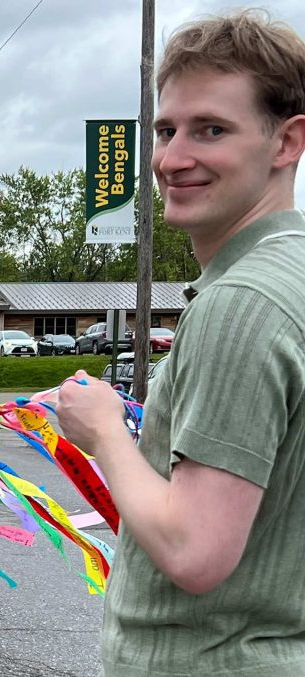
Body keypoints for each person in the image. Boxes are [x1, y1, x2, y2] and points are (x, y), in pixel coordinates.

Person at [57, 11, 305, 676]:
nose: (171, 158)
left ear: (287, 143)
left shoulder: (241, 304)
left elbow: (194, 549)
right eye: (166, 130)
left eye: (211, 130)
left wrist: (105, 429)